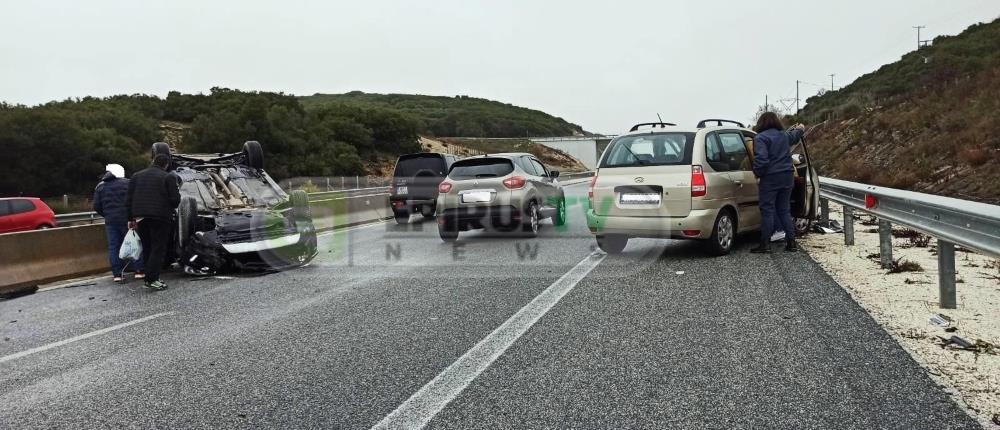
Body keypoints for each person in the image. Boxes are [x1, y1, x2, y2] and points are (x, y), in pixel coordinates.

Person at [750, 112, 804, 253]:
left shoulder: (760, 138)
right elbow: (795, 136)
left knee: (767, 210)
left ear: (761, 123)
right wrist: (800, 128)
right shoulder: (783, 136)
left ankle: (765, 244)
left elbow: (762, 160)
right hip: (787, 177)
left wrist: (758, 174)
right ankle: (791, 243)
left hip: (770, 178)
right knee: (784, 210)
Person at [126, 154, 180, 291]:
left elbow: (128, 200)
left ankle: (148, 276)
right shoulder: (169, 177)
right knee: (158, 248)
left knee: (147, 247)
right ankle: (152, 279)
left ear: (153, 162)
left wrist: (130, 219)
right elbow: (175, 200)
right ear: (166, 165)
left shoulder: (136, 176)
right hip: (161, 217)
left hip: (141, 217)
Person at [94, 163, 145, 282]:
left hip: (111, 221)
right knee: (135, 243)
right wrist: (132, 216)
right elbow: (134, 200)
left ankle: (117, 274)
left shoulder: (100, 187)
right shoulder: (127, 183)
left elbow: (96, 206)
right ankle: (139, 270)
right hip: (127, 219)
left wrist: (106, 214)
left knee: (113, 247)